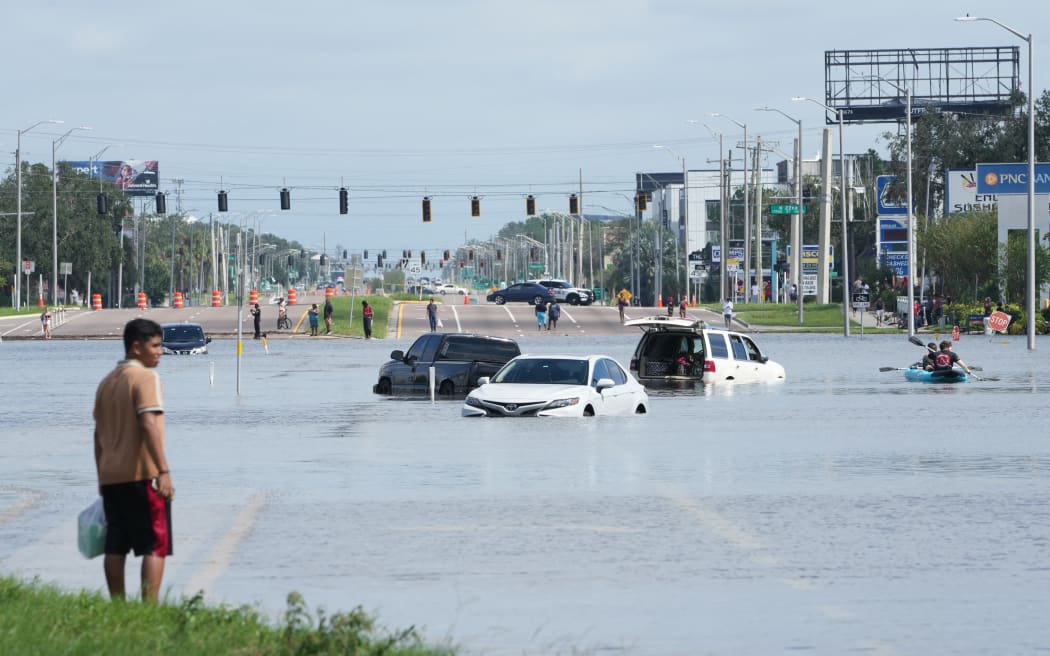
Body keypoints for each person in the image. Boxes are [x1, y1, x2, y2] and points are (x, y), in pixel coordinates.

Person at [93, 318, 174, 602]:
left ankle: (118, 605)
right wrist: (163, 470)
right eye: (155, 345)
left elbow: (97, 436)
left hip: (111, 477)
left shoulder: (106, 383)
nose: (160, 351)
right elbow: (148, 424)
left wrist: (101, 478)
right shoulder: (145, 378)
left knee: (115, 544)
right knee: (155, 544)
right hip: (143, 475)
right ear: (136, 348)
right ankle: (148, 610)